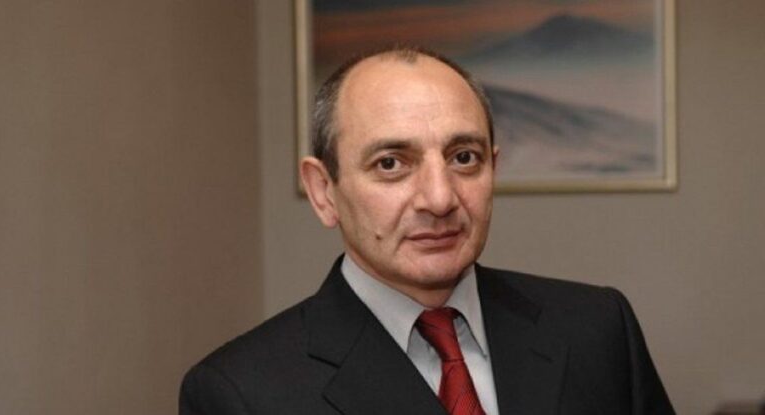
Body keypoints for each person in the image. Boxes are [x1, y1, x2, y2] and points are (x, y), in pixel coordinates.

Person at [179, 46, 674, 415]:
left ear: (493, 169)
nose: (440, 198)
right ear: (323, 191)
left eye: (464, 158)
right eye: (391, 163)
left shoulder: (597, 329)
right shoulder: (240, 393)